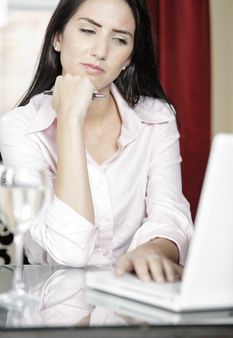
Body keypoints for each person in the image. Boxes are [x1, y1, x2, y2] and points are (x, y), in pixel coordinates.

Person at [0, 0, 193, 283]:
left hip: (134, 299)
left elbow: (169, 213)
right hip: (51, 307)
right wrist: (69, 119)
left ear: (128, 57)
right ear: (58, 38)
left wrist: (153, 250)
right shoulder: (19, 127)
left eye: (119, 39)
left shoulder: (157, 118)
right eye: (88, 31)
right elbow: (70, 251)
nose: (100, 52)